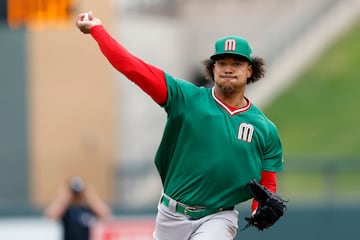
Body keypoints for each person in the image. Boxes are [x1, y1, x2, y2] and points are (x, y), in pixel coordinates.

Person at [75, 11, 283, 240]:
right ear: (212, 69)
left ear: (250, 70)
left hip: (218, 217)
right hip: (171, 215)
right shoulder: (186, 99)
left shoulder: (264, 128)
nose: (228, 68)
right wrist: (97, 30)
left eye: (237, 63)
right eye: (221, 62)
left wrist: (259, 211)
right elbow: (133, 68)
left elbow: (267, 186)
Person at [44, 176, 112, 240]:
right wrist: (64, 198)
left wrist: (90, 197)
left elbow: (105, 214)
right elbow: (50, 215)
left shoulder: (88, 208)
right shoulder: (65, 209)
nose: (76, 195)